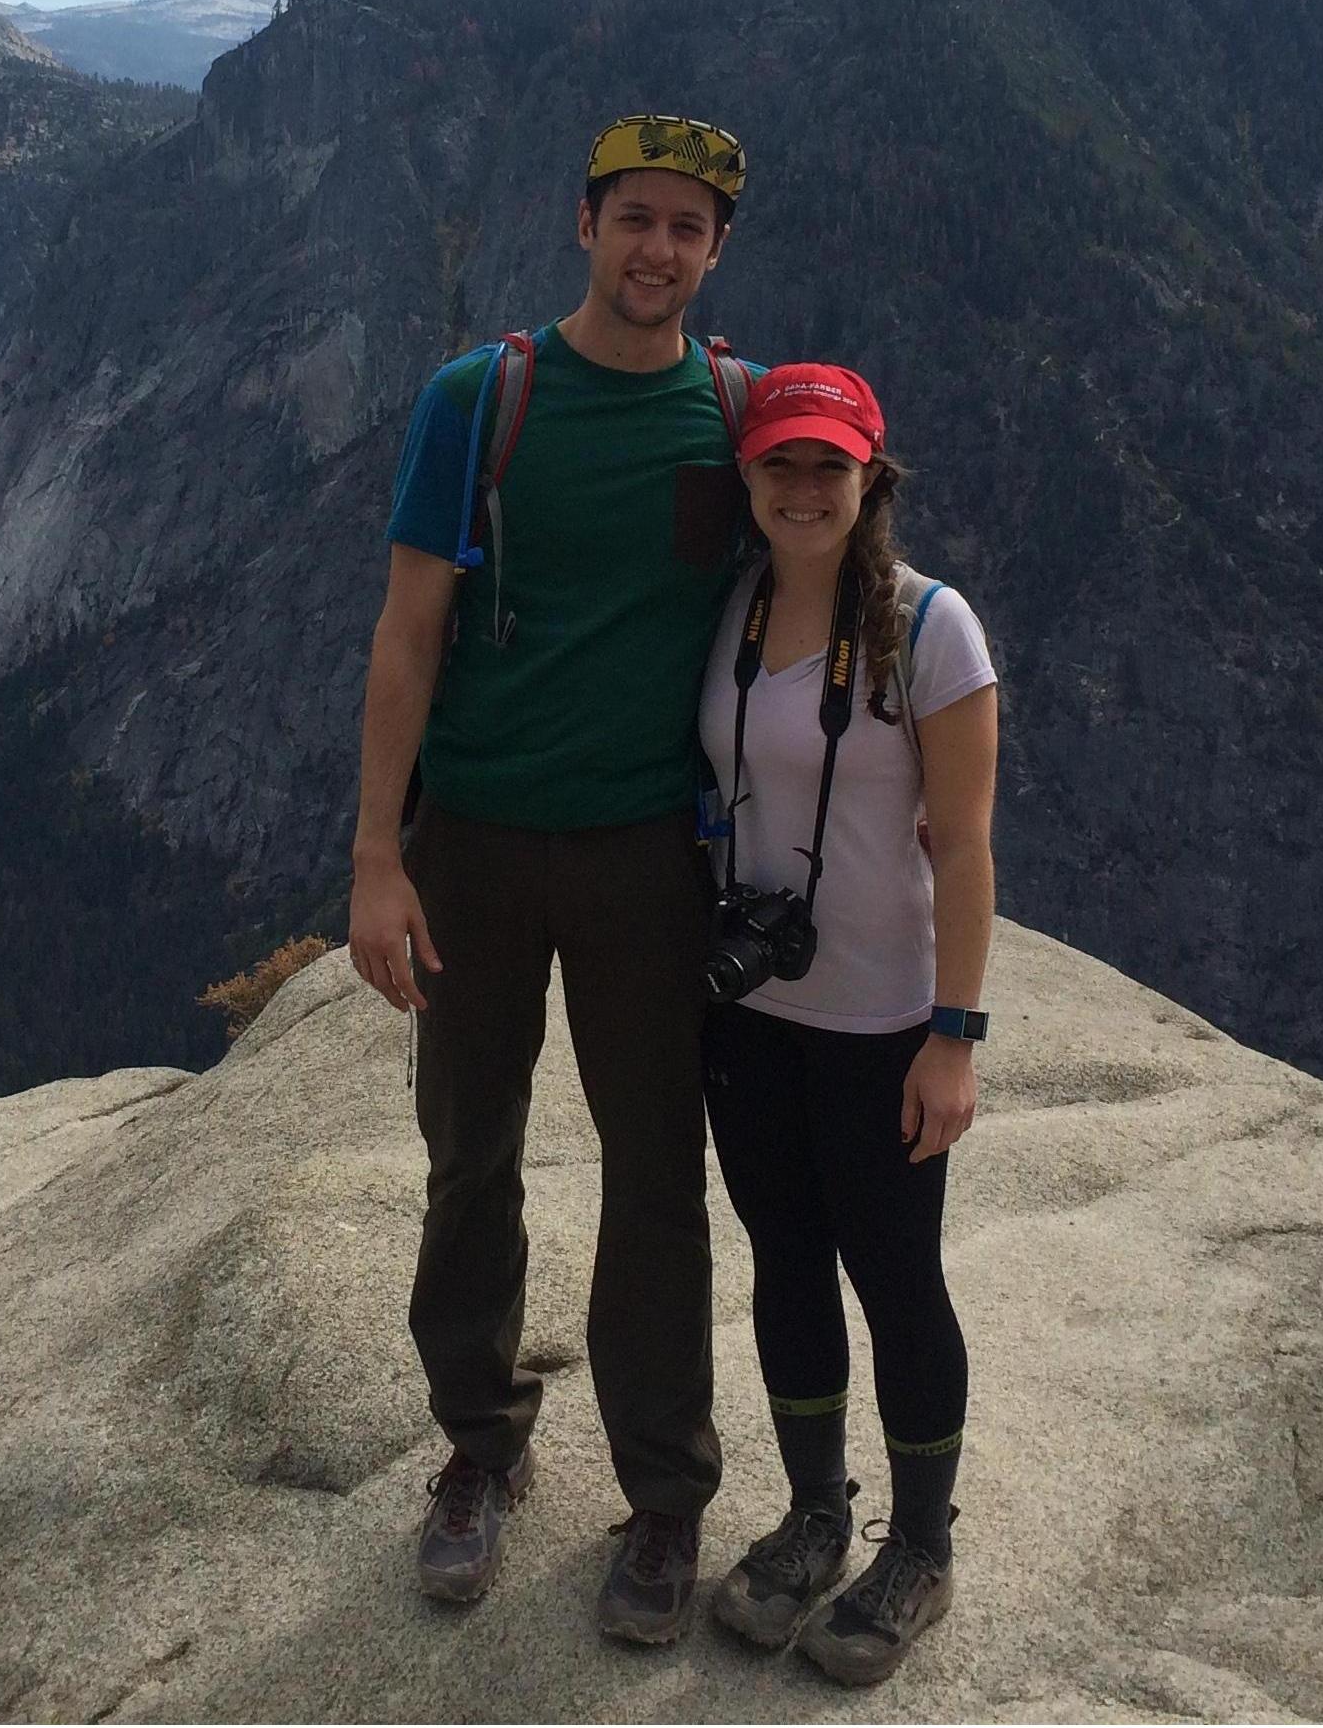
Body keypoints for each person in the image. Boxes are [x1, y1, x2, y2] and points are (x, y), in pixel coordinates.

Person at [347, 112, 755, 1644]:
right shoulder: (480, 399)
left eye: (685, 227)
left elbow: (825, 564)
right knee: (469, 1154)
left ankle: (664, 1495)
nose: (656, 248)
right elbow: (407, 632)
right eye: (633, 217)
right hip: (473, 843)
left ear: (714, 251)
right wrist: (375, 856)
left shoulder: (735, 413)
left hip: (649, 853)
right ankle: (478, 1446)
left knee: (655, 1173)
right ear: (582, 224)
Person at [696, 362, 998, 1685]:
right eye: (782, 462)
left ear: (871, 476)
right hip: (752, 1014)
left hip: (881, 1022)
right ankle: (816, 1513)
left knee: (896, 1279)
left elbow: (967, 847)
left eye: (831, 463)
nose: (805, 487)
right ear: (748, 476)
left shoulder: (932, 630)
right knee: (784, 1260)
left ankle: (920, 1545)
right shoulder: (732, 605)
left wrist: (954, 1034)